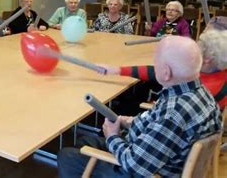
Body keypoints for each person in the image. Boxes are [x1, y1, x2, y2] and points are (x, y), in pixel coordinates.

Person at [58, 36, 222, 177]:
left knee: (67, 157)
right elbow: (160, 125)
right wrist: (130, 121)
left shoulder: (174, 113)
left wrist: (112, 136)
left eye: (155, 63)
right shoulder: (200, 93)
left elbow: (134, 165)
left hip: (148, 171)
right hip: (159, 156)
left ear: (166, 72)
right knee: (85, 141)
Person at [103, 29, 227, 110]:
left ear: (208, 59)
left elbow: (161, 73)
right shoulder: (217, 73)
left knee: (135, 95)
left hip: (160, 119)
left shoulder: (203, 88)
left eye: (199, 47)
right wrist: (118, 70)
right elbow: (155, 71)